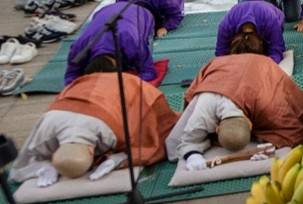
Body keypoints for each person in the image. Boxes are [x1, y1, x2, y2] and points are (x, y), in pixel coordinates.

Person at [11, 72, 178, 187]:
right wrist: (44, 166)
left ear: (92, 151)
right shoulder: (46, 127)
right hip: (85, 85)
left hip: (130, 85)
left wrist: (118, 159)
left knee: (158, 128)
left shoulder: (112, 132)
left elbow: (147, 145)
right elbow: (21, 168)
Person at [166, 53, 303, 169]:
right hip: (220, 67)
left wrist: (272, 145)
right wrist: (192, 155)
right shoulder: (204, 105)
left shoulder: (268, 104)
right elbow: (186, 139)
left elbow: (294, 132)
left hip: (261, 65)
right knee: (175, 148)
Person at [64, 3, 157, 85]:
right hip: (103, 11)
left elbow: (149, 72)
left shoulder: (133, 43)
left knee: (140, 60)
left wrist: (126, 84)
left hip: (141, 13)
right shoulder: (79, 48)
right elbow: (71, 75)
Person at [216, 1, 286, 61]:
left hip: (275, 15)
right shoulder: (226, 26)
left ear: (261, 42)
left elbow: (277, 51)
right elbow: (221, 54)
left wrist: (263, 65)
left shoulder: (271, 21)